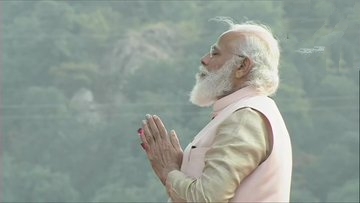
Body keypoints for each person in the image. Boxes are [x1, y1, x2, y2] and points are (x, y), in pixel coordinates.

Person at [138, 18, 292, 202]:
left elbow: (208, 198)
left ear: (242, 67)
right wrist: (183, 167)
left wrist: (169, 173)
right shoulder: (246, 110)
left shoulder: (245, 117)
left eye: (215, 53)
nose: (204, 59)